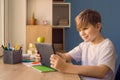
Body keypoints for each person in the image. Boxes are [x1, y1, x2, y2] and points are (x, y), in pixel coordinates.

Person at [36, 9, 117, 80]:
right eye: (79, 30)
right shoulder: (84, 45)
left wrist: (67, 67)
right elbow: (66, 57)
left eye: (85, 28)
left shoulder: (107, 46)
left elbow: (101, 72)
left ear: (98, 26)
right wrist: (49, 56)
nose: (82, 33)